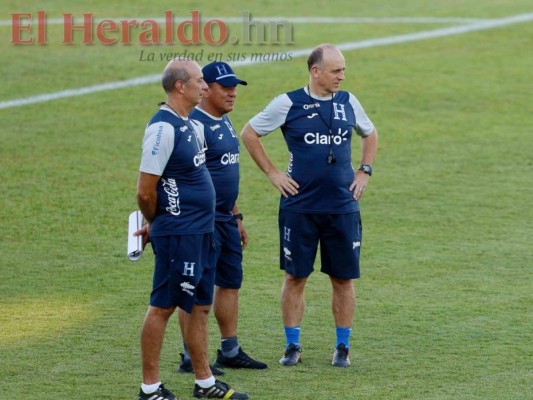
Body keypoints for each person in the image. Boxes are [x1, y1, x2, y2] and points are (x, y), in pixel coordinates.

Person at [240, 44, 378, 368]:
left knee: (343, 279)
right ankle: (292, 345)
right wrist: (273, 174)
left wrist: (365, 170)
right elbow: (249, 133)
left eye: (343, 70)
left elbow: (370, 135)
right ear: (316, 72)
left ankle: (342, 346)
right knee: (294, 277)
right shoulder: (288, 103)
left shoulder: (349, 102)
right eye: (336, 71)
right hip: (299, 209)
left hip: (343, 208)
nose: (342, 76)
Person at [136, 58, 248, 400]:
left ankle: (205, 382)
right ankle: (150, 388)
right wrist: (157, 222)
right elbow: (145, 190)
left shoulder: (190, 125)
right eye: (200, 81)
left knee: (199, 305)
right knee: (163, 306)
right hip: (179, 232)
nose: (205, 86)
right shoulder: (162, 128)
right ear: (180, 86)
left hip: (204, 231)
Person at [176, 61, 267, 373]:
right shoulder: (194, 126)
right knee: (195, 287)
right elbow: (180, 176)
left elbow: (224, 173)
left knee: (230, 282)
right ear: (205, 90)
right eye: (224, 88)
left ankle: (230, 349)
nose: (232, 93)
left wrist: (236, 214)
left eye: (234, 87)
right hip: (201, 222)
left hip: (225, 219)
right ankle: (190, 356)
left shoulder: (223, 120)